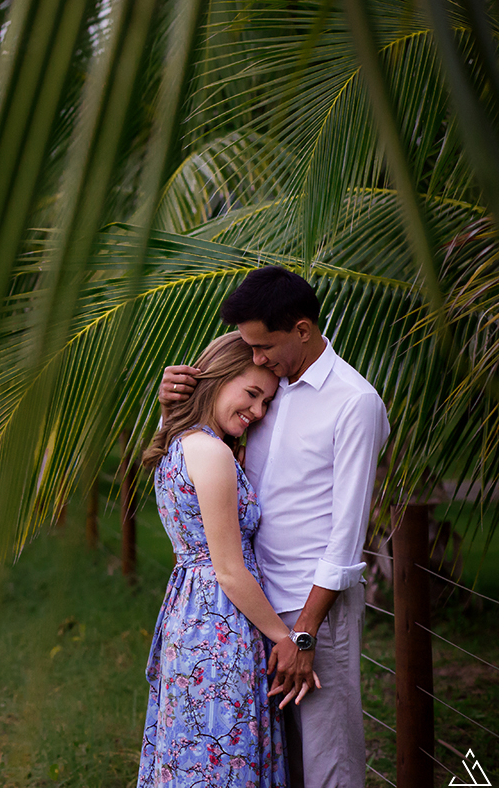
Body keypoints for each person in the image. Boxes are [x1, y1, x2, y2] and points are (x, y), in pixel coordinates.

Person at [159, 266, 390, 788]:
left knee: (326, 762)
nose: (256, 358)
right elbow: (202, 458)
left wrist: (303, 634)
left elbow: (346, 541)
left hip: (311, 614)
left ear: (302, 330)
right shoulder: (270, 386)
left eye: (264, 346)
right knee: (265, 761)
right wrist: (172, 404)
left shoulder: (354, 403)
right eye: (249, 350)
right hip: (249, 608)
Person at [138, 332, 297, 787]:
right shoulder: (210, 452)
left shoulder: (184, 440)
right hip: (219, 623)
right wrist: (285, 638)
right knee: (221, 753)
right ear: (218, 377)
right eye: (251, 393)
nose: (258, 411)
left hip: (193, 615)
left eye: (266, 401)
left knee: (198, 750)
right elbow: (228, 569)